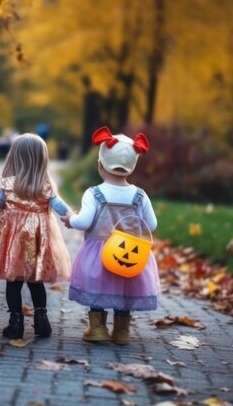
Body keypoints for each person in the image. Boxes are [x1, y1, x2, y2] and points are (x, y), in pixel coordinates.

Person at [60, 126, 159, 345]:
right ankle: (122, 332)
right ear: (131, 168)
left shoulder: (94, 193)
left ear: (100, 165)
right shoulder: (140, 196)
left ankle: (97, 328)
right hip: (129, 253)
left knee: (98, 289)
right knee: (124, 293)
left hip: (100, 253)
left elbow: (83, 222)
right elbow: (151, 224)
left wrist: (70, 219)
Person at [0, 133, 72, 339]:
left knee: (13, 283)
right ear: (42, 159)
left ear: (14, 158)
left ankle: (15, 322)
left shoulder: (9, 184)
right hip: (36, 241)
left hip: (12, 244)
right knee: (35, 280)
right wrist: (72, 216)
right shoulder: (45, 186)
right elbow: (59, 206)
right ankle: (41, 320)